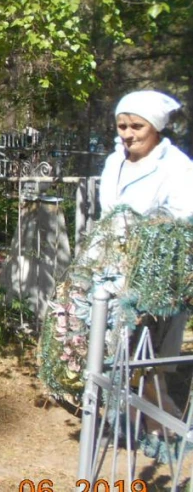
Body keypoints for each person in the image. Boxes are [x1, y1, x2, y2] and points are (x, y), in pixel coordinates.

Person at [98, 89, 193, 456]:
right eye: (122, 125)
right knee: (119, 352)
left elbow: (183, 219)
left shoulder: (178, 168)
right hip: (111, 270)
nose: (127, 133)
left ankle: (165, 428)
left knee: (146, 355)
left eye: (136, 126)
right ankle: (150, 424)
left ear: (156, 128)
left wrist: (144, 232)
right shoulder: (113, 162)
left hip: (154, 277)